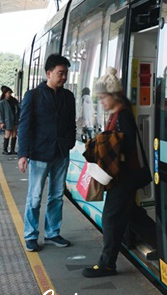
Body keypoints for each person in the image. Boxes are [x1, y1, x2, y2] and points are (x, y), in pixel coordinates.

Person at [81, 69, 155, 278]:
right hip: (125, 176)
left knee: (111, 218)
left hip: (125, 177)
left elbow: (127, 144)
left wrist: (104, 144)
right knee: (132, 214)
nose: (101, 101)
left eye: (103, 97)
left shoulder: (122, 114)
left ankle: (107, 264)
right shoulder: (119, 113)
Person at [17, 54, 77, 252]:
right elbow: (24, 126)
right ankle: (31, 235)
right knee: (35, 197)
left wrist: (68, 143)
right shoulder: (33, 96)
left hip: (61, 153)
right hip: (39, 154)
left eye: (66, 73)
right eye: (60, 73)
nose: (64, 77)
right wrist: (22, 154)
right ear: (49, 73)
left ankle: (52, 233)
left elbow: (71, 123)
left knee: (57, 196)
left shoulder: (68, 96)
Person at [0, 86, 20, 156]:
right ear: (5, 93)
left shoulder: (14, 101)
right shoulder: (2, 102)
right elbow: (0, 113)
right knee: (7, 134)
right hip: (7, 120)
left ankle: (12, 149)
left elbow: (19, 108)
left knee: (14, 134)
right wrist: (1, 122)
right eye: (8, 93)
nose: (10, 94)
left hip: (15, 119)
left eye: (10, 93)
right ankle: (5, 149)